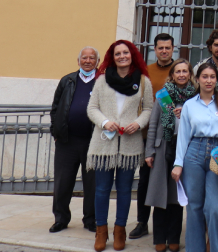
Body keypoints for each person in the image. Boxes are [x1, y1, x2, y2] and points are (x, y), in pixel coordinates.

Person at [86, 40, 154, 252]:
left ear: (132, 55)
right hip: (104, 144)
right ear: (112, 57)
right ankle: (101, 231)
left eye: (126, 52)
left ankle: (120, 230)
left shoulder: (143, 81)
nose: (122, 56)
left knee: (125, 190)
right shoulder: (102, 80)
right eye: (118, 53)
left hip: (130, 144)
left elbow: (149, 109)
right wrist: (105, 122)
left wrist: (138, 123)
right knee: (102, 190)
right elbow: (92, 108)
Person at [171, 62, 218, 252]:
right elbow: (183, 136)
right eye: (205, 77)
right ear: (198, 79)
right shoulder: (190, 105)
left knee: (215, 207)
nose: (209, 81)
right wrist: (178, 164)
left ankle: (217, 248)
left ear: (217, 80)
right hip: (194, 152)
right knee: (194, 207)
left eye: (212, 77)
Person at [131, 33, 179, 241]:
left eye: (168, 48)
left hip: (172, 136)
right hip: (147, 134)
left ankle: (168, 224)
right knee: (144, 181)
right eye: (160, 48)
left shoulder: (180, 70)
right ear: (155, 49)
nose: (164, 51)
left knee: (169, 183)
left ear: (173, 48)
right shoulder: (146, 73)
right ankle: (142, 222)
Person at [144, 59, 195, 252]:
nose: (181, 75)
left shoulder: (195, 97)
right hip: (162, 147)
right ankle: (159, 237)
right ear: (172, 75)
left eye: (185, 71)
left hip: (184, 149)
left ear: (190, 74)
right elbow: (153, 124)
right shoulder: (163, 96)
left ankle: (174, 237)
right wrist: (149, 151)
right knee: (160, 195)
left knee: (177, 196)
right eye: (178, 71)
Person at [49, 46, 99, 234]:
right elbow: (55, 108)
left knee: (92, 184)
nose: (87, 61)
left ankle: (90, 219)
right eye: (84, 58)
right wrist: (56, 132)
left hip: (92, 142)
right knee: (63, 183)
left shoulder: (102, 82)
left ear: (97, 62)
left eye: (91, 58)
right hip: (67, 142)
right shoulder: (67, 80)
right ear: (78, 61)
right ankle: (61, 219)